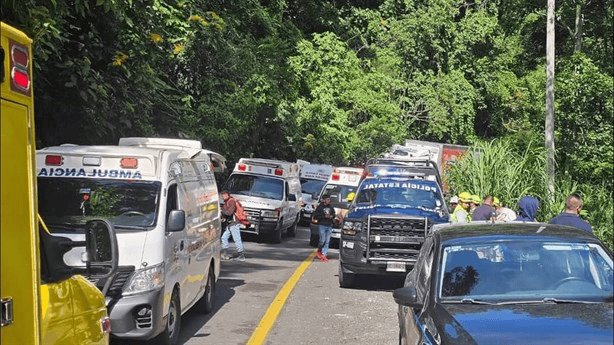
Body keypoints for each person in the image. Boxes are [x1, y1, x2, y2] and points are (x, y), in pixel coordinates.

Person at [220, 190, 245, 261]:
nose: (223, 197)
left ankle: (241, 255)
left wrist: (221, 211)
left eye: (224, 195)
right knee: (224, 237)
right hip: (230, 224)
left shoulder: (231, 201)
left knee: (237, 239)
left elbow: (229, 213)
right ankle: (224, 253)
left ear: (228, 195)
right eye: (222, 195)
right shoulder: (227, 202)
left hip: (234, 223)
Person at [312, 194, 336, 262]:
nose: (329, 200)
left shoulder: (331, 206)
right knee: (322, 240)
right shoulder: (320, 207)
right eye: (327, 199)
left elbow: (334, 214)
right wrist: (324, 216)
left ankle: (324, 254)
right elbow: (316, 216)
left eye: (329, 199)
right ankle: (319, 251)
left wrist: (332, 216)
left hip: (329, 225)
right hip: (322, 225)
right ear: (324, 200)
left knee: (327, 241)